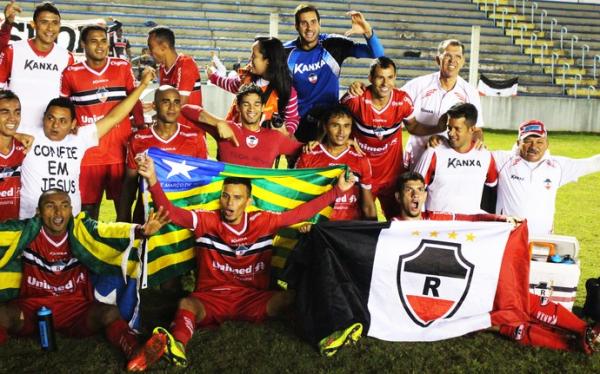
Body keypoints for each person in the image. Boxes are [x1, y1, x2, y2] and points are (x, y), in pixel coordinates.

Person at [126, 155, 356, 370]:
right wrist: (154, 180)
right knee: (187, 304)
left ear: (248, 200)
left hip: (253, 297)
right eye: (225, 196)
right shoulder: (206, 220)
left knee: (292, 297)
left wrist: (336, 191)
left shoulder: (263, 221)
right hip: (212, 297)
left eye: (237, 197)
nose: (229, 203)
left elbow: (299, 214)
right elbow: (173, 214)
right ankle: (177, 345)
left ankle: (325, 337)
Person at [392, 171, 600, 355]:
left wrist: (502, 220)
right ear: (398, 197)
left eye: (420, 189)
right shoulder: (390, 231)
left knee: (520, 299)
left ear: (426, 195)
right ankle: (573, 344)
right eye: (409, 190)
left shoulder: (437, 218)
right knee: (505, 322)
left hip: (465, 284)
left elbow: (472, 219)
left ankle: (585, 332)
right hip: (434, 299)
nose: (415, 195)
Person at [0, 188, 169, 363]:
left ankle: (135, 351)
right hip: (33, 308)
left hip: (75, 308)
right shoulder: (25, 233)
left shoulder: (81, 232)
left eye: (64, 206)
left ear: (71, 210)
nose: (58, 212)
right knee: (2, 314)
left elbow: (108, 231)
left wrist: (141, 230)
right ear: (38, 212)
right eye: (50, 206)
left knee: (109, 313)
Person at [18, 67, 155, 219]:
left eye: (63, 121)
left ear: (73, 124)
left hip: (70, 220)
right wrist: (15, 135)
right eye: (51, 118)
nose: (55, 125)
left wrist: (143, 85)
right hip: (32, 218)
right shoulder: (28, 135)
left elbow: (114, 117)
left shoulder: (79, 138)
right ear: (43, 118)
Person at [342, 56, 446, 219]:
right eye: (379, 77)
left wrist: (437, 128)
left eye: (390, 77)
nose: (385, 83)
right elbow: (333, 120)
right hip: (362, 174)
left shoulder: (402, 100)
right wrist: (344, 139)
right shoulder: (356, 100)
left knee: (400, 222)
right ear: (370, 78)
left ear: (395, 78)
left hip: (392, 175)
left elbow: (412, 126)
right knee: (362, 223)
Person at [60, 24, 144, 220]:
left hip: (120, 150)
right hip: (89, 155)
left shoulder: (122, 67)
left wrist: (140, 128)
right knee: (88, 213)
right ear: (83, 45)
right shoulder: (71, 73)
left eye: (103, 41)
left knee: (123, 210)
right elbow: (63, 107)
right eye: (93, 41)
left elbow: (134, 100)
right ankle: (86, 250)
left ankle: (125, 249)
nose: (100, 46)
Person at [284, 4, 384, 142]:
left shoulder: (333, 44)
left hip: (330, 123)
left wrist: (367, 31)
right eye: (304, 23)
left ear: (320, 23)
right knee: (301, 163)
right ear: (296, 26)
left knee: (330, 163)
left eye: (313, 22)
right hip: (299, 124)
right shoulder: (285, 53)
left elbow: (377, 53)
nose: (309, 28)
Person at [117, 85, 207, 223]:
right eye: (166, 102)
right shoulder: (138, 139)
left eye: (176, 102)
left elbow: (203, 182)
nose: (172, 108)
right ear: (154, 106)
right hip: (147, 216)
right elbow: (130, 185)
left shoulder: (195, 137)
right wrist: (123, 221)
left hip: (183, 216)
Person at [494, 120, 600, 235]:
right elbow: (476, 156)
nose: (534, 147)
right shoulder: (502, 160)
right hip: (508, 236)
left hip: (543, 238)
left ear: (547, 144)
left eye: (539, 142)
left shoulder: (558, 166)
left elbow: (592, 163)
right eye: (528, 141)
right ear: (518, 142)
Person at [400, 39, 483, 169]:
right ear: (438, 59)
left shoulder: (470, 92)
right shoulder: (416, 85)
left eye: (458, 57)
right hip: (416, 159)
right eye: (448, 56)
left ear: (462, 62)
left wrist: (477, 145)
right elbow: (389, 97)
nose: (452, 60)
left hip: (449, 165)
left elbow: (476, 130)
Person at [182, 84, 302, 168]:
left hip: (258, 200)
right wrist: (217, 122)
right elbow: (186, 110)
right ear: (238, 107)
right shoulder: (227, 128)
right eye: (246, 104)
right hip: (230, 199)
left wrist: (311, 143)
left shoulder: (275, 137)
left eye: (256, 104)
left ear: (263, 107)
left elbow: (308, 151)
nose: (251, 109)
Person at [0, 1, 74, 135]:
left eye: (55, 23)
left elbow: (67, 99)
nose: (50, 28)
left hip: (48, 134)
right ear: (33, 24)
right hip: (14, 131)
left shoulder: (66, 57)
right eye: (44, 22)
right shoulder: (13, 50)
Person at [295, 104, 376, 221]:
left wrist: (374, 233)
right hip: (317, 226)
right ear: (325, 126)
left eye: (346, 126)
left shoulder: (361, 159)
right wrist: (302, 222)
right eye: (335, 125)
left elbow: (368, 205)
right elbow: (297, 196)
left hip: (348, 229)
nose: (341, 132)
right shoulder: (309, 155)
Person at [415, 103, 497, 214]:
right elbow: (413, 189)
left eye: (457, 129)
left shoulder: (485, 156)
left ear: (472, 129)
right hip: (436, 227)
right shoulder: (433, 152)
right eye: (449, 128)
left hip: (469, 229)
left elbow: (492, 188)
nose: (451, 133)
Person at [209, 37, 299, 136]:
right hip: (233, 139)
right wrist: (213, 77)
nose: (250, 59)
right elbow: (231, 85)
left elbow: (292, 119)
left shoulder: (286, 90)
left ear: (268, 60)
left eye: (254, 56)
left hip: (264, 147)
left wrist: (286, 132)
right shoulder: (246, 78)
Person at [147, 26, 202, 128]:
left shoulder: (186, 64)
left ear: (163, 46)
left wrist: (150, 119)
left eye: (151, 47)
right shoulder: (162, 69)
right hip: (172, 131)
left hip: (190, 134)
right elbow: (166, 102)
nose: (149, 53)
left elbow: (178, 104)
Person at [0, 90, 25, 221]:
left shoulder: (25, 147)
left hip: (18, 230)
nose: (12, 118)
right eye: (5, 112)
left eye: (17, 112)